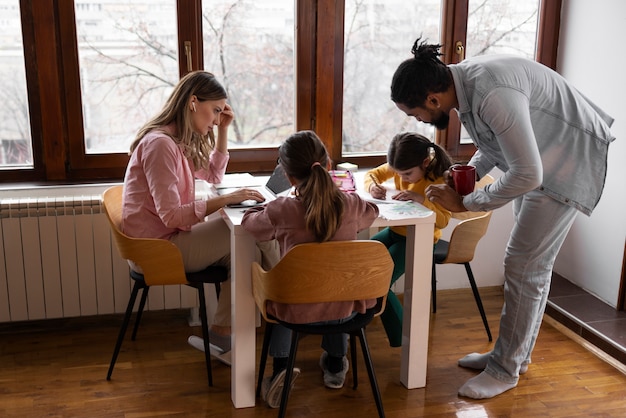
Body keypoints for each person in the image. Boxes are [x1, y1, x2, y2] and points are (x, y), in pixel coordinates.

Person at [390, 38, 615, 399]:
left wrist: (468, 204)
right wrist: (468, 173)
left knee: (524, 267)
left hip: (566, 161)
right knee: (527, 268)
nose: (416, 120)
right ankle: (512, 355)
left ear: (433, 99)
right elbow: (495, 144)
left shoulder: (491, 92)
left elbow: (528, 173)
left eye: (413, 113)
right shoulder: (463, 87)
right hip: (540, 160)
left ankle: (505, 369)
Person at [122, 70, 269, 359]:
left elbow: (214, 174)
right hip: (158, 249)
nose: (216, 119)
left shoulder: (176, 140)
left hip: (166, 238)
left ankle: (224, 336)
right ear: (192, 102)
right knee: (251, 232)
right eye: (214, 111)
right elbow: (173, 217)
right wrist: (229, 199)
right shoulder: (161, 145)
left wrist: (224, 130)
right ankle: (288, 303)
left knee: (244, 249)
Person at [241, 130, 380, 408]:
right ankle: (336, 363)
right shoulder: (350, 205)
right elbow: (373, 212)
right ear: (328, 166)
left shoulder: (281, 209)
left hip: (295, 310)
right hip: (346, 310)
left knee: (282, 289)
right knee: (336, 285)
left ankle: (281, 369)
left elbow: (251, 226)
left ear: (289, 176)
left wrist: (255, 209)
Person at [365, 132, 452, 347]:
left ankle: (405, 338)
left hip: (420, 241)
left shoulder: (439, 180)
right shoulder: (400, 167)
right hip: (396, 233)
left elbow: (443, 221)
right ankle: (355, 320)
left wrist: (422, 200)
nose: (402, 178)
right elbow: (372, 174)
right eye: (397, 173)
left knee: (379, 282)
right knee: (360, 262)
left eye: (407, 174)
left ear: (425, 163)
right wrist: (372, 187)